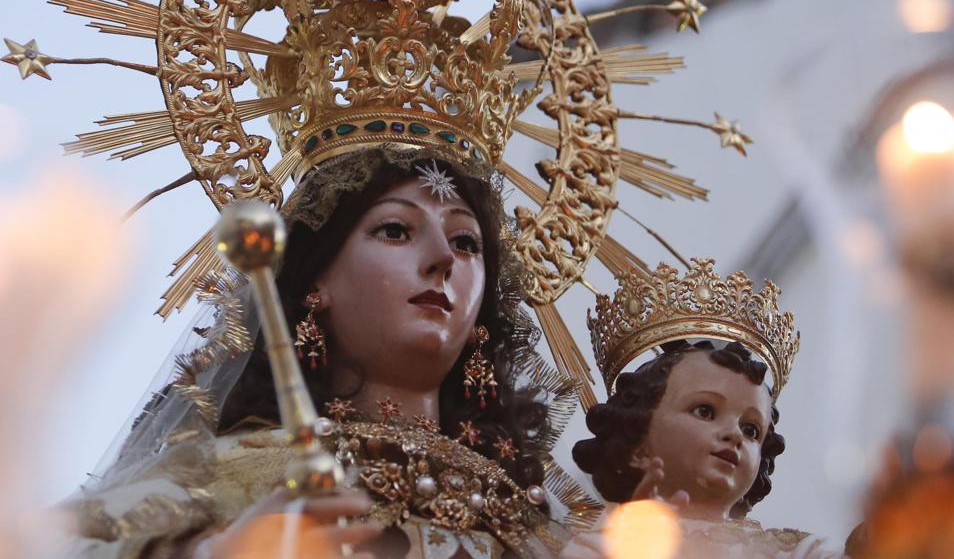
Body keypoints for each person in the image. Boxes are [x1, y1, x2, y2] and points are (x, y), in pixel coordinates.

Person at [60, 148, 576, 559]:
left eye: (466, 242)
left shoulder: (542, 524)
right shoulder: (227, 477)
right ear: (317, 281)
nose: (443, 258)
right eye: (395, 230)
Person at [567, 341, 842, 558]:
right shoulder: (605, 548)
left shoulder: (794, 551)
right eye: (705, 411)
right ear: (638, 443)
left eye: (751, 430)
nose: (735, 434)